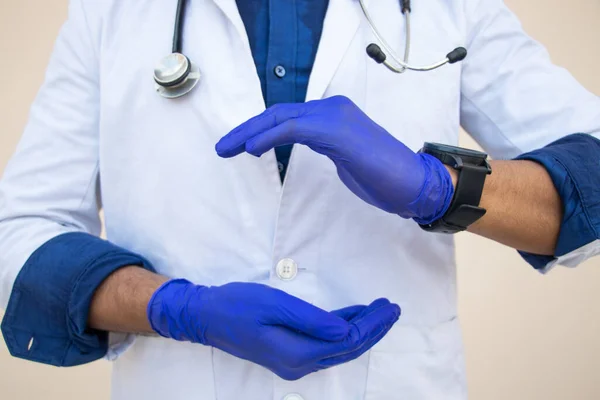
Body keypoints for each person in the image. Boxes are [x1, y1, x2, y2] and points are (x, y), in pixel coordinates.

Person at [0, 0, 599, 399]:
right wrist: (177, 309)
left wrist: (436, 185)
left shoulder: (453, 7)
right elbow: (20, 235)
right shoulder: (110, 12)